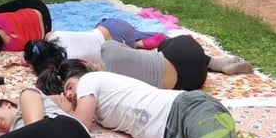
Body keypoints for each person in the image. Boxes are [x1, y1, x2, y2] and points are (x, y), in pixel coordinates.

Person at [39, 63, 276, 138]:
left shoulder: (90, 81)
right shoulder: (100, 110)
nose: (70, 94)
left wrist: (64, 107)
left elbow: (80, 126)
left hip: (184, 110)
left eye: (69, 87)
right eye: (67, 94)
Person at [25, 36, 254, 91]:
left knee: (165, 54)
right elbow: (127, 47)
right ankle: (214, 61)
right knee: (168, 44)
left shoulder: (102, 90)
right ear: (85, 62)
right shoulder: (108, 50)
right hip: (186, 57)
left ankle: (213, 64)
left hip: (190, 83)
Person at [41, 17, 166, 63]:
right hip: (111, 26)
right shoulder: (56, 36)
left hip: (118, 45)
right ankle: (138, 41)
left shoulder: (68, 61)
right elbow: (47, 35)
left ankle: (138, 44)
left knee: (125, 42)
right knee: (102, 26)